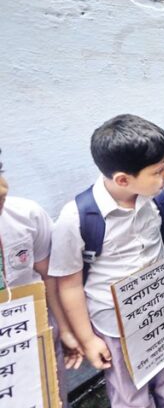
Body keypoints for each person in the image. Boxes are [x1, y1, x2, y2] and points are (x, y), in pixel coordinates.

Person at [49, 115, 164, 408]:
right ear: (123, 180)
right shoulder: (77, 217)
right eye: (158, 170)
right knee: (131, 398)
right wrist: (88, 339)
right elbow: (69, 284)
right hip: (115, 328)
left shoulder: (156, 199)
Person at [0, 149, 82, 407]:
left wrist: (65, 331)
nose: (2, 189)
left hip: (33, 339)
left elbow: (48, 278)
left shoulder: (27, 217)